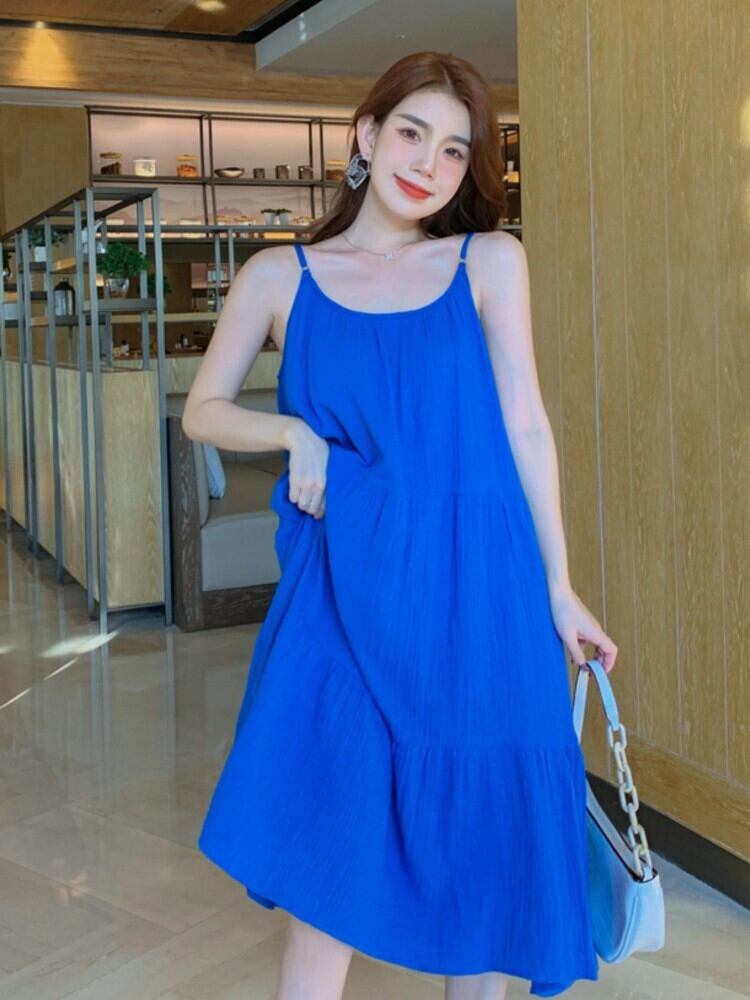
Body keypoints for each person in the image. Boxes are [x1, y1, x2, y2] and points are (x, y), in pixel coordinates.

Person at [184, 50, 618, 1000]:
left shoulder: (489, 261)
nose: (429, 163)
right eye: (412, 134)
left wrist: (559, 586)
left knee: (482, 852)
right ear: (367, 135)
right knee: (329, 840)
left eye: (455, 150)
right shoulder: (280, 276)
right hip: (344, 579)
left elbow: (527, 425)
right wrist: (292, 431)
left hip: (480, 580)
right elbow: (203, 410)